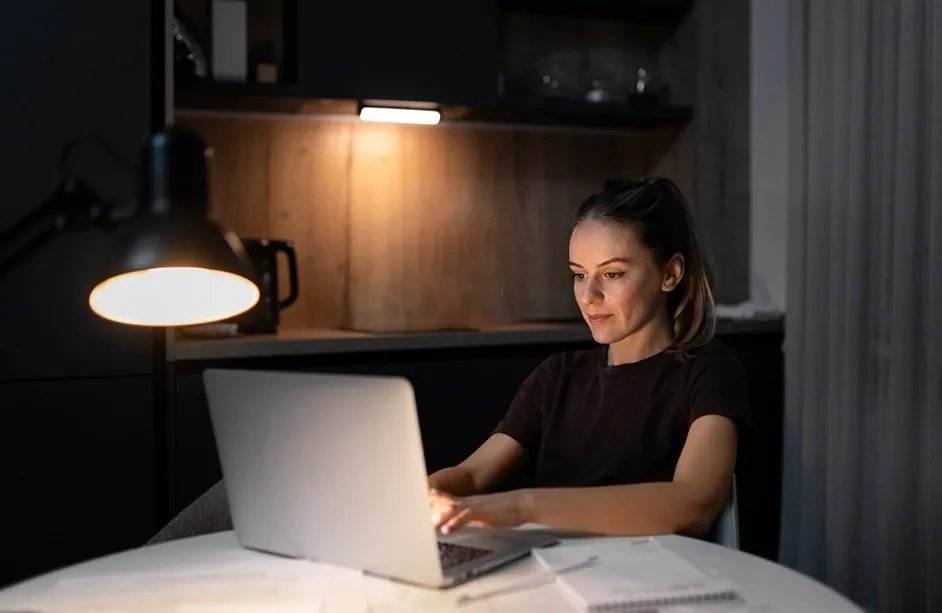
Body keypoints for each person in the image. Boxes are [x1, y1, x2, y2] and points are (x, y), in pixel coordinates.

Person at [428, 177, 751, 539]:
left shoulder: (708, 370)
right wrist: (423, 495)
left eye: (612, 273)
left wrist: (523, 508)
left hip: (655, 583)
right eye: (579, 275)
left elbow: (693, 503)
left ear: (670, 273)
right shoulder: (558, 376)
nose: (588, 295)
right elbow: (473, 475)